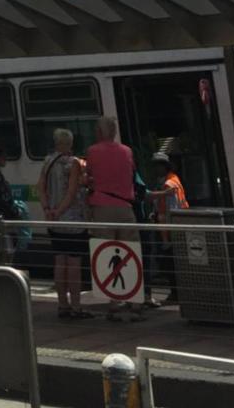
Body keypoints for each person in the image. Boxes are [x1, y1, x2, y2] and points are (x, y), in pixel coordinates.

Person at [85, 117, 142, 322]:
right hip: (126, 208)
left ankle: (113, 302)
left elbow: (88, 176)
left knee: (105, 253)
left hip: (102, 208)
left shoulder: (92, 151)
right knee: (131, 254)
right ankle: (135, 301)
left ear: (100, 132)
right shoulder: (127, 151)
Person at [37, 128, 91, 320]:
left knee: (59, 261)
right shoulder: (74, 163)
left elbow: (40, 188)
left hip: (53, 222)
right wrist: (59, 212)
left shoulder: (47, 161)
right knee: (74, 264)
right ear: (69, 143)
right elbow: (71, 192)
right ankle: (76, 306)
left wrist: (48, 210)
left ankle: (62, 304)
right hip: (72, 221)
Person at [147, 151, 188, 305]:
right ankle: (176, 292)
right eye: (155, 166)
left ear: (165, 166)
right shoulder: (167, 181)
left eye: (159, 165)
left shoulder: (169, 183)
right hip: (168, 228)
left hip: (170, 230)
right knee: (169, 262)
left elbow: (168, 205)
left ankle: (176, 293)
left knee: (170, 262)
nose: (157, 169)